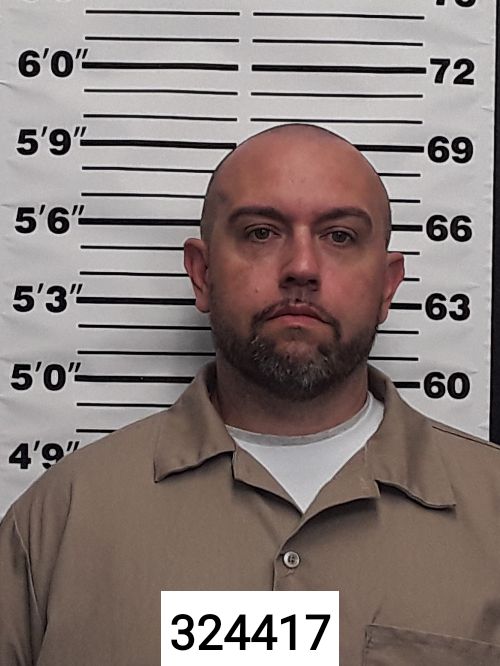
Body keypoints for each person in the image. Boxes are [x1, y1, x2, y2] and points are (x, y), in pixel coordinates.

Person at [1, 123, 500, 665]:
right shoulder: (60, 519)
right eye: (261, 233)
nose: (301, 268)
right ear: (202, 274)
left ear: (387, 284)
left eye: (339, 236)